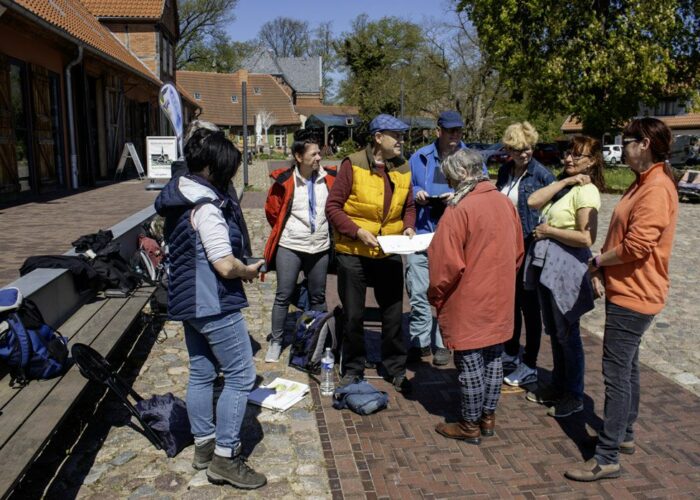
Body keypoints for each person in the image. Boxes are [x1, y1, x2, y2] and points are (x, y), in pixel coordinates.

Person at [566, 118, 678, 482]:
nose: (622, 147)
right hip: (627, 289)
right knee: (627, 368)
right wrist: (602, 267)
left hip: (636, 293)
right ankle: (623, 434)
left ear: (643, 143)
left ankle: (608, 455)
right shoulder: (643, 183)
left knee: (615, 374)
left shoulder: (657, 188)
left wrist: (597, 261)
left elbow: (637, 246)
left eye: (626, 141)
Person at [154, 131, 266, 489]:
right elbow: (223, 265)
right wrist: (249, 270)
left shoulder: (180, 197)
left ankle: (203, 446)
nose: (229, 177)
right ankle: (225, 457)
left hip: (189, 301)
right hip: (215, 301)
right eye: (226, 169)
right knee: (240, 376)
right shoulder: (207, 206)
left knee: (202, 373)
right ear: (210, 168)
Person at [428, 149, 523, 443]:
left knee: (470, 362)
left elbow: (445, 264)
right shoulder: (504, 202)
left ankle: (469, 424)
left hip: (470, 295)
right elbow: (518, 251)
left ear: (460, 175)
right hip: (501, 293)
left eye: (450, 177)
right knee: (494, 358)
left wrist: (435, 295)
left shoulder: (459, 209)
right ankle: (487, 417)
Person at [326, 114, 416, 393]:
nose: (401, 141)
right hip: (353, 250)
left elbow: (409, 207)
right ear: (378, 138)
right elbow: (333, 207)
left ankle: (395, 368)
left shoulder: (403, 167)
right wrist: (356, 231)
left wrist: (409, 228)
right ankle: (352, 369)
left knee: (393, 314)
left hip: (388, 249)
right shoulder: (352, 165)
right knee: (353, 315)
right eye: (396, 136)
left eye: (402, 136)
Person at [524, 135, 605, 418]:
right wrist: (566, 181)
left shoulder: (588, 192)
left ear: (592, 161)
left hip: (567, 267)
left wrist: (549, 232)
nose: (569, 159)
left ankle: (574, 394)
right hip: (549, 266)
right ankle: (559, 385)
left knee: (568, 334)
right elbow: (533, 201)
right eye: (567, 154)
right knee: (556, 332)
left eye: (577, 156)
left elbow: (586, 237)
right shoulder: (568, 187)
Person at [262, 129, 336, 362]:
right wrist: (293, 230)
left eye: (319, 153)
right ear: (298, 156)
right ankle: (276, 340)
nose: (318, 158)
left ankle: (315, 340)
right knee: (283, 295)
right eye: (313, 154)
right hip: (291, 246)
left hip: (319, 247)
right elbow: (272, 212)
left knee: (317, 296)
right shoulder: (285, 181)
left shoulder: (330, 179)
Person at [496, 121, 556, 387]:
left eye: (529, 148)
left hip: (530, 247)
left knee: (530, 307)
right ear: (509, 149)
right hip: (507, 248)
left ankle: (529, 362)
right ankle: (510, 352)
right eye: (519, 149)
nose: (525, 154)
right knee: (510, 303)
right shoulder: (505, 170)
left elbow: (555, 210)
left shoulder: (542, 175)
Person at [406, 111, 464, 366]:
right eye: (450, 130)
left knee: (446, 291)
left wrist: (458, 195)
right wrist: (417, 191)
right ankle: (420, 341)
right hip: (421, 232)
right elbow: (404, 186)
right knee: (418, 291)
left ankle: (443, 343)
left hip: (451, 236)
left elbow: (480, 186)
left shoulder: (469, 158)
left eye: (458, 131)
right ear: (438, 131)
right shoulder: (419, 157)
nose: (455, 136)